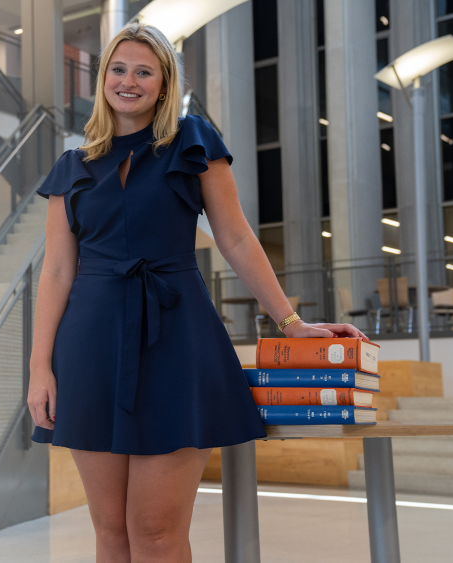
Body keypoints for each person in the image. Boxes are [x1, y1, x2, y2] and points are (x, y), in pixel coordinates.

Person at [26, 23, 368, 562]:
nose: (129, 81)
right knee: (110, 531)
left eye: (144, 71)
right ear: (103, 79)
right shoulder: (72, 167)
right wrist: (39, 367)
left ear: (163, 84)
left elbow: (234, 236)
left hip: (175, 341)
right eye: (119, 69)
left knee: (157, 531)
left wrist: (290, 323)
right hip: (89, 347)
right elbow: (55, 274)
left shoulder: (192, 141)